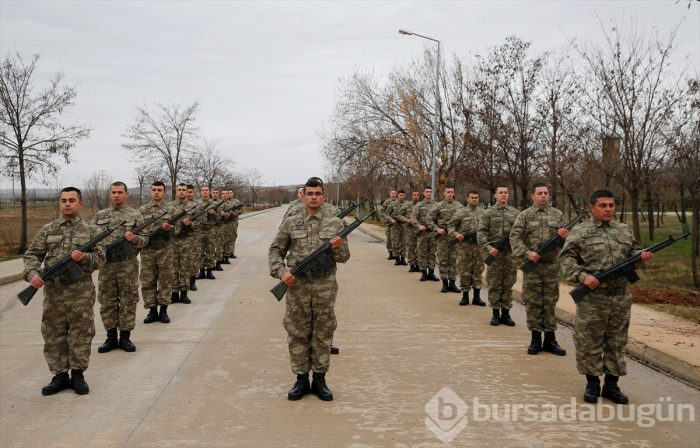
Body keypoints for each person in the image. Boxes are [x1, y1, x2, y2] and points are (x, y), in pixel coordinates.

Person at [560, 190, 652, 405]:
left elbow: (634, 254)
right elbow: (566, 259)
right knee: (589, 341)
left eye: (611, 205)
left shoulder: (624, 230)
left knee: (617, 341)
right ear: (592, 207)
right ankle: (592, 383)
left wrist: (642, 257)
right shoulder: (581, 231)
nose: (608, 209)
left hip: (620, 297)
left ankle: (612, 385)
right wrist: (583, 277)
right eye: (603, 205)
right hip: (593, 297)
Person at [268, 177, 350, 401]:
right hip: (297, 286)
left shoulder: (335, 223)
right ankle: (301, 379)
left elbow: (344, 258)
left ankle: (320, 380)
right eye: (310, 193)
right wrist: (281, 272)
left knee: (323, 332)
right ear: (303, 196)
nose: (314, 197)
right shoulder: (291, 222)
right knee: (297, 332)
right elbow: (275, 250)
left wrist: (338, 247)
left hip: (325, 286)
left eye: (318, 194)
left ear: (324, 196)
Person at [23, 187, 106, 395]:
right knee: (53, 333)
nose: (67, 204)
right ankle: (59, 375)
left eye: (71, 200)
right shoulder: (48, 229)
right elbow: (32, 255)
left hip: (80, 291)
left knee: (81, 332)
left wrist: (84, 258)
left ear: (80, 204)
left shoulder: (91, 230)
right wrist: (33, 274)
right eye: (63, 200)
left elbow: (101, 259)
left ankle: (78, 374)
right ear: (59, 203)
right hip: (53, 291)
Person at [510, 183, 569, 356]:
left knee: (550, 302)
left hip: (551, 267)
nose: (543, 196)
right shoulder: (525, 216)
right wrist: (527, 254)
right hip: (533, 268)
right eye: (540, 193)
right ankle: (535, 339)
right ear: (533, 196)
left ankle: (550, 339)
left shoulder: (558, 215)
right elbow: (515, 238)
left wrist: (565, 237)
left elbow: (567, 243)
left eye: (546, 193)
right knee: (533, 302)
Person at [93, 181, 147, 353]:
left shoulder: (135, 215)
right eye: (113, 192)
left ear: (126, 194)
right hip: (107, 265)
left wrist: (134, 239)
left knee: (128, 300)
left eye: (119, 192)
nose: (116, 195)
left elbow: (145, 239)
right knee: (107, 301)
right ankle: (110, 337)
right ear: (110, 194)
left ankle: (125, 337)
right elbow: (90, 239)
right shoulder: (100, 216)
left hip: (127, 264)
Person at [477, 186, 519, 326]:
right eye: (500, 192)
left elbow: (520, 234)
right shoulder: (488, 213)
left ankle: (506, 313)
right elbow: (481, 233)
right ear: (495, 195)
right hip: (494, 255)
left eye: (506, 192)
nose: (503, 195)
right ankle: (495, 313)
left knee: (508, 284)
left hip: (510, 256)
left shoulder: (515, 213)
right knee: (494, 284)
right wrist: (489, 248)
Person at [139, 181, 175, 324]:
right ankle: (152, 310)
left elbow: (178, 229)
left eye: (159, 190)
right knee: (148, 281)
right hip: (147, 250)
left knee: (165, 280)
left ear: (164, 192)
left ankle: (164, 311)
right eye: (154, 190)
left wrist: (169, 228)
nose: (156, 192)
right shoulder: (142, 210)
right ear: (150, 192)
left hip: (165, 249)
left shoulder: (170, 210)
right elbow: (138, 229)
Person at [450, 191, 486, 306]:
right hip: (465, 247)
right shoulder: (461, 212)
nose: (474, 199)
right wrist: (456, 235)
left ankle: (477, 297)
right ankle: (465, 296)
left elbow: (488, 228)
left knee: (478, 271)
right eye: (472, 197)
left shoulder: (484, 213)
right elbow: (450, 226)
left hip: (479, 248)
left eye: (476, 197)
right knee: (464, 271)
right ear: (467, 198)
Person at [428, 185, 463, 293]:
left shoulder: (459, 206)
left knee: (453, 260)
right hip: (442, 237)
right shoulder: (438, 205)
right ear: (444, 193)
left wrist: (460, 232)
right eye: (448, 192)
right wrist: (437, 229)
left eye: (452, 192)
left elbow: (464, 220)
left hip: (454, 237)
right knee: (443, 260)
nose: (450, 194)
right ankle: (444, 283)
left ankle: (452, 283)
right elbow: (429, 218)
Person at [169, 183, 198, 304]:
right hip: (173, 240)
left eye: (184, 190)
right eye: (179, 190)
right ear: (176, 192)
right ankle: (174, 293)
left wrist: (190, 224)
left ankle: (184, 293)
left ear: (187, 192)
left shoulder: (193, 206)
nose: (181, 192)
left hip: (187, 240)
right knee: (174, 267)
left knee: (185, 267)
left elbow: (200, 224)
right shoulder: (169, 207)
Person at [412, 187, 439, 281]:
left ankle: (431, 273)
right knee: (422, 253)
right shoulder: (419, 205)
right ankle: (423, 272)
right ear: (423, 193)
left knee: (432, 253)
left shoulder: (436, 205)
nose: (428, 193)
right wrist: (419, 226)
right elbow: (414, 217)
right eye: (427, 192)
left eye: (430, 192)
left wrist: (437, 228)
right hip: (422, 233)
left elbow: (439, 218)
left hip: (432, 233)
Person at [389, 190, 408, 266]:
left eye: (403, 195)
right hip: (395, 225)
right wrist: (391, 219)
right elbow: (386, 214)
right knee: (396, 242)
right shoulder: (393, 204)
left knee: (404, 242)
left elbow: (411, 213)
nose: (402, 197)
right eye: (400, 195)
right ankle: (397, 258)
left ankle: (403, 259)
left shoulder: (407, 204)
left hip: (404, 225)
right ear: (398, 195)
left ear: (405, 196)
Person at [382, 190, 397, 259]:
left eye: (394, 193)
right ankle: (390, 252)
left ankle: (396, 253)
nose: (393, 195)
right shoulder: (387, 202)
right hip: (389, 223)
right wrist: (388, 218)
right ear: (390, 194)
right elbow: (383, 211)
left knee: (396, 239)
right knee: (389, 238)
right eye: (392, 193)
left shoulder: (398, 202)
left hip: (397, 224)